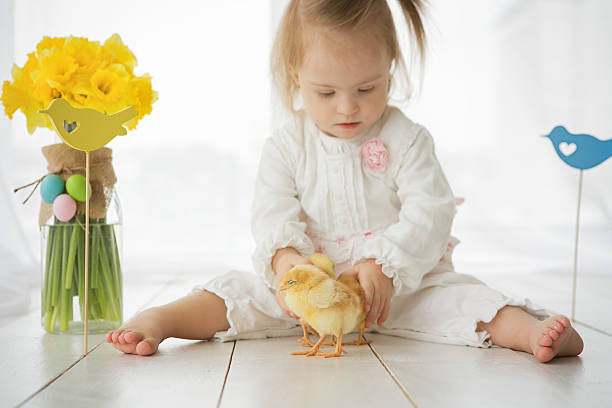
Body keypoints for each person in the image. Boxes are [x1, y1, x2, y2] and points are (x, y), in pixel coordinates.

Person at [106, 0, 583, 362]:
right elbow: (272, 212)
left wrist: (386, 266)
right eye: (327, 92)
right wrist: (288, 261)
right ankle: (163, 319)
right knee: (240, 295)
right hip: (313, 294)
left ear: (389, 69)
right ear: (296, 76)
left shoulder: (407, 139)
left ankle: (528, 332)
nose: (347, 107)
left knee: (462, 300)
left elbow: (431, 211)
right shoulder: (286, 145)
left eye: (366, 89)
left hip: (400, 291)